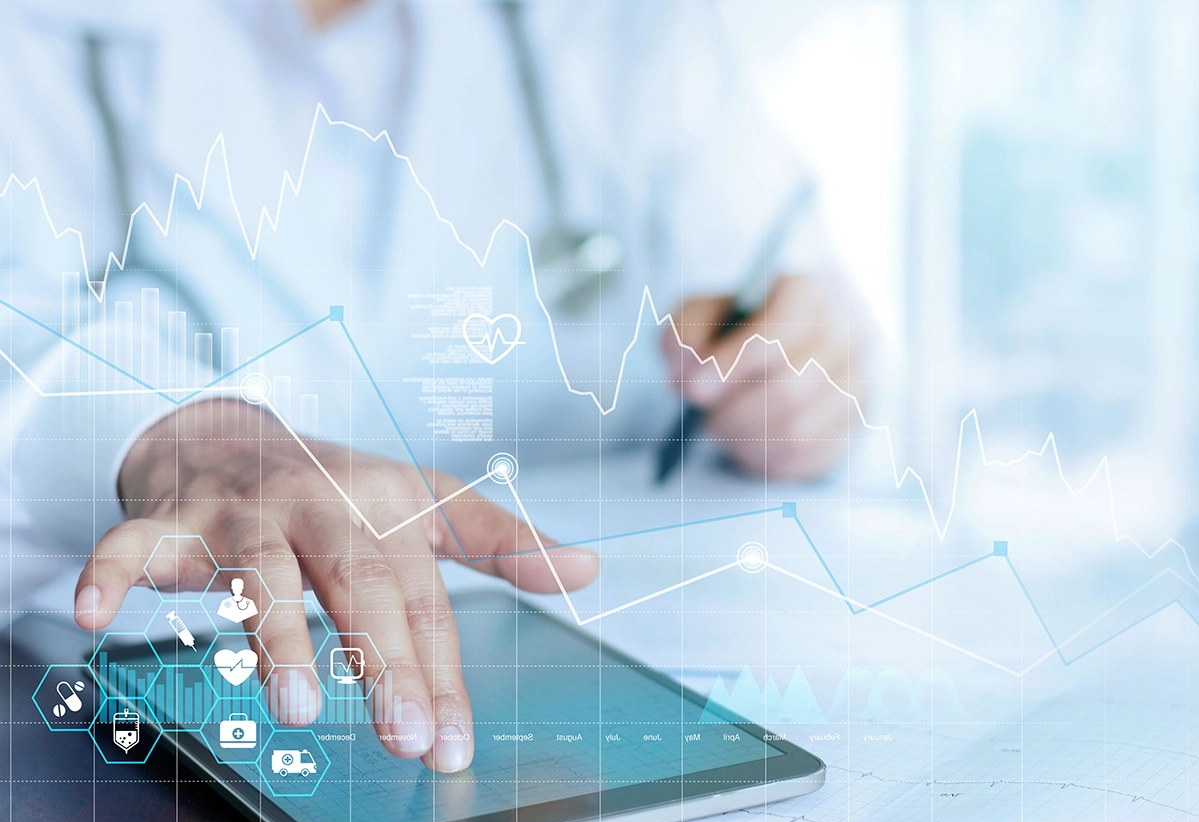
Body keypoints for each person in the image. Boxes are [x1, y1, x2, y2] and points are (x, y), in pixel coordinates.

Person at [0, 0, 869, 773]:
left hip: (603, 703)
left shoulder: (622, 27)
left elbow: (792, 308)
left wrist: (800, 395)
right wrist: (197, 444)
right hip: (142, 702)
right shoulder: (31, 38)